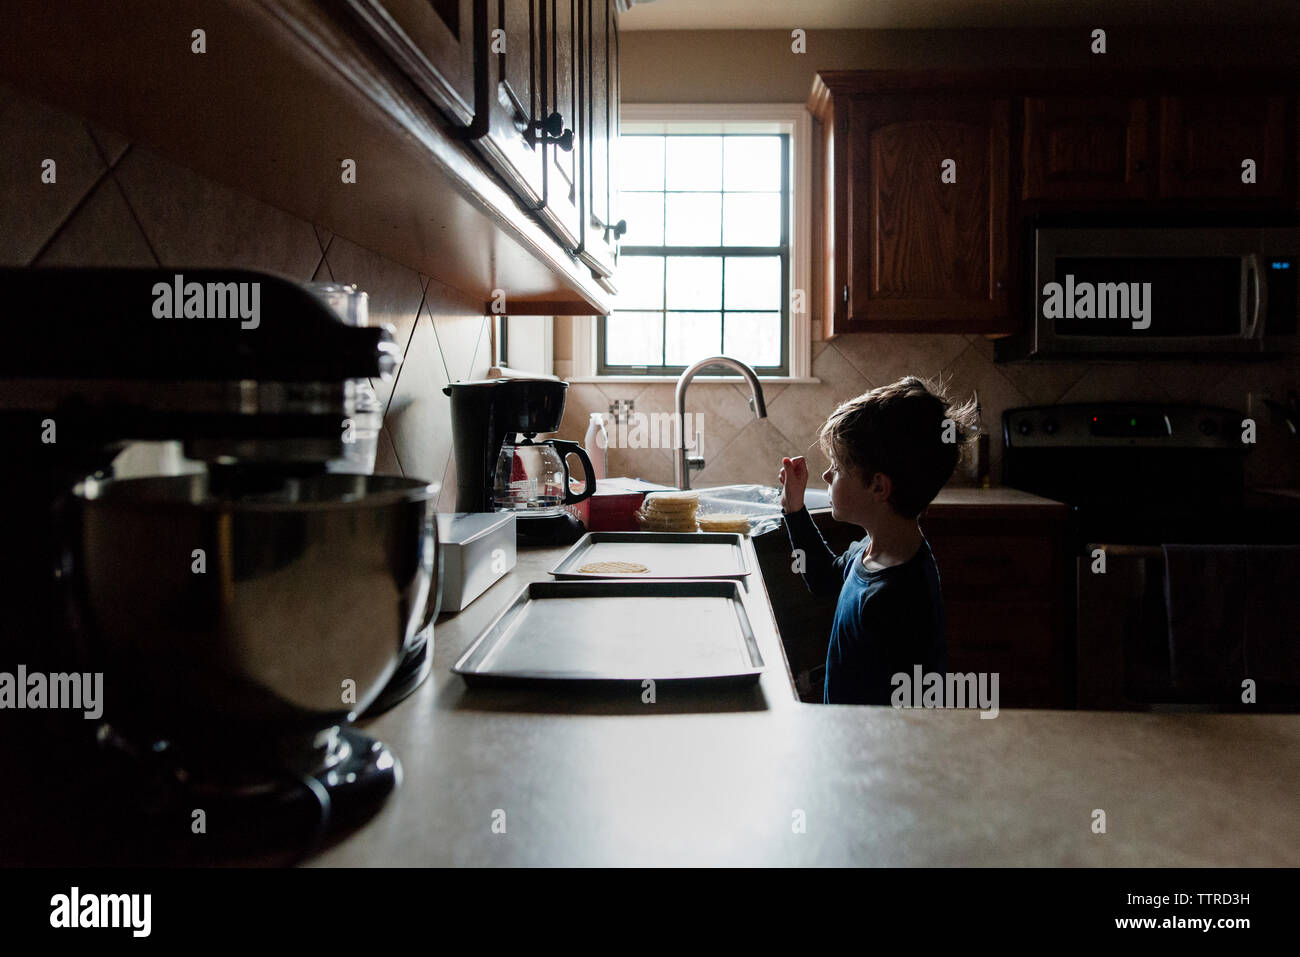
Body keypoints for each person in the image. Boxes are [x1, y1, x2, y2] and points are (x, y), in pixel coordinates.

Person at [778, 376, 979, 705]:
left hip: (872, 750)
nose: (827, 476)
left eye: (837, 467)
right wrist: (795, 510)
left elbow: (908, 711)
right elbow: (823, 578)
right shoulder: (872, 551)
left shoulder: (897, 598)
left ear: (878, 488)